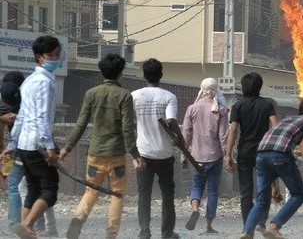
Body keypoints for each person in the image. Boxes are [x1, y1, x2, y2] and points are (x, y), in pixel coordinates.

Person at [60, 53, 146, 239]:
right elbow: (128, 129)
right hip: (117, 155)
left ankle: (77, 221)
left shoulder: (91, 94)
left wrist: (67, 148)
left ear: (102, 72)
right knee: (116, 195)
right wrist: (136, 154)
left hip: (95, 153)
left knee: (91, 192)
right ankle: (110, 234)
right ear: (120, 72)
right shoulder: (124, 95)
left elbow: (81, 124)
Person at [0, 35, 62, 239]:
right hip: (38, 144)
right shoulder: (45, 82)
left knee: (33, 189)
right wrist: (50, 147)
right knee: (50, 190)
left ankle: (24, 231)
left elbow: (21, 116)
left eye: (57, 54)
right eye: (50, 55)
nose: (55, 58)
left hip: (25, 145)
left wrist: (13, 143)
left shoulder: (27, 82)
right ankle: (27, 224)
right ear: (39, 57)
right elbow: (42, 117)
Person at [239, 94, 303, 239]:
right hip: (280, 155)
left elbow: (273, 151)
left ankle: (247, 232)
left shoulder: (287, 119)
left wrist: (275, 187)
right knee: (298, 195)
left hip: (260, 154)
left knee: (261, 200)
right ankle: (274, 226)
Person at [131, 58, 183, 239]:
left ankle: (144, 231)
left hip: (143, 153)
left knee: (143, 193)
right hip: (164, 154)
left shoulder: (134, 96)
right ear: (161, 75)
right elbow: (171, 120)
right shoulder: (169, 97)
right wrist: (180, 138)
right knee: (167, 194)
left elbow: (129, 123)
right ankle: (167, 232)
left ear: (144, 75)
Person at [225, 72, 278, 231]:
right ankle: (261, 221)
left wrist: (228, 155)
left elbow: (233, 130)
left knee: (246, 191)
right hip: (263, 151)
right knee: (264, 187)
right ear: (260, 87)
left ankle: (247, 225)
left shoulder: (237, 105)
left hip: (245, 152)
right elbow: (276, 126)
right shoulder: (267, 105)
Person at [181, 77, 229, 234]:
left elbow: (185, 134)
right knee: (213, 191)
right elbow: (223, 137)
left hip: (196, 158)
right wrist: (228, 156)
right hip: (215, 157)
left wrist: (183, 156)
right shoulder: (221, 110)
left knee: (196, 186)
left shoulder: (192, 109)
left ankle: (195, 209)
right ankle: (208, 226)